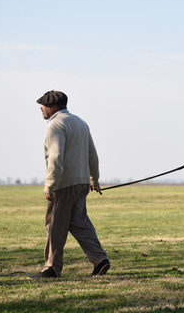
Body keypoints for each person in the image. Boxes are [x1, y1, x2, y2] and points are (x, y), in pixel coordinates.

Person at [32, 90, 110, 278]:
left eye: (43, 106)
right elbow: (92, 154)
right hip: (82, 182)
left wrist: (50, 185)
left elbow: (55, 157)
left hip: (64, 183)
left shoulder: (56, 124)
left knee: (54, 225)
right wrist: (94, 179)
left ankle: (52, 267)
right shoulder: (81, 123)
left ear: (53, 107)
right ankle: (100, 260)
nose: (41, 109)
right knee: (80, 223)